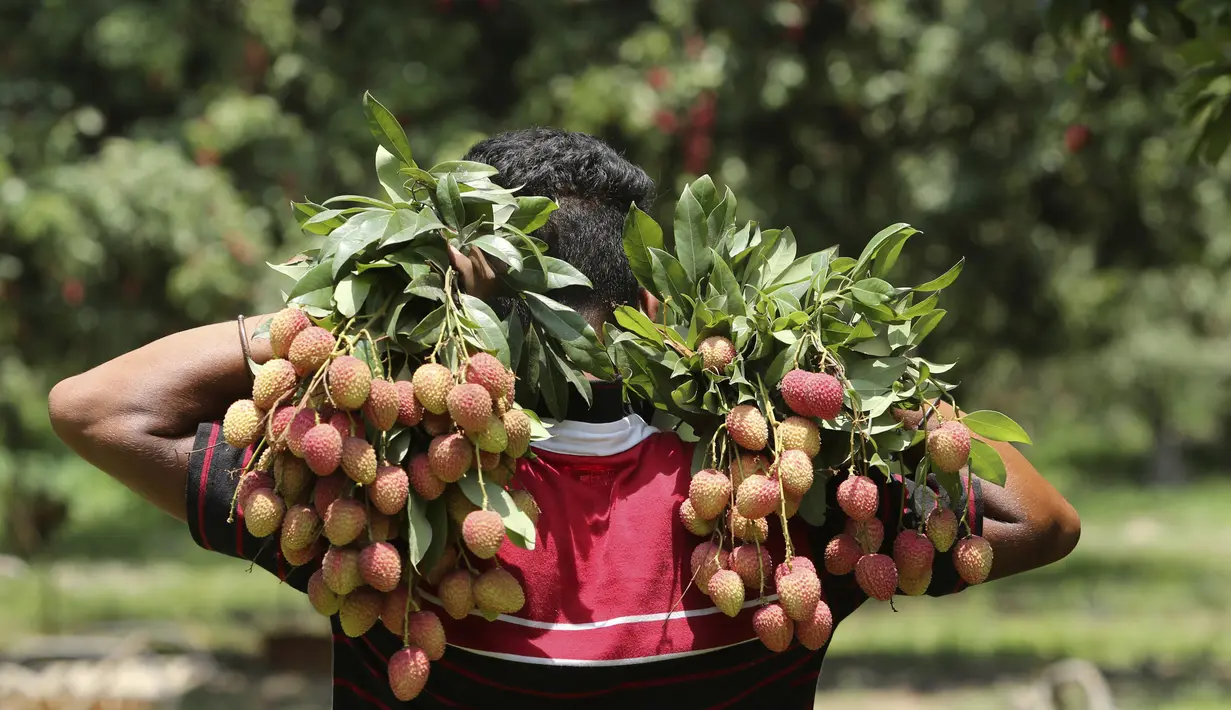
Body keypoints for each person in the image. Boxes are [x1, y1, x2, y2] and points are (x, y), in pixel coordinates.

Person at [48, 129, 1081, 709]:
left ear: (465, 304)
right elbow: (1041, 519)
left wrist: (358, 311)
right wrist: (822, 377)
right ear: (647, 301)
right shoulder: (787, 513)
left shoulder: (372, 507)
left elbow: (94, 407)